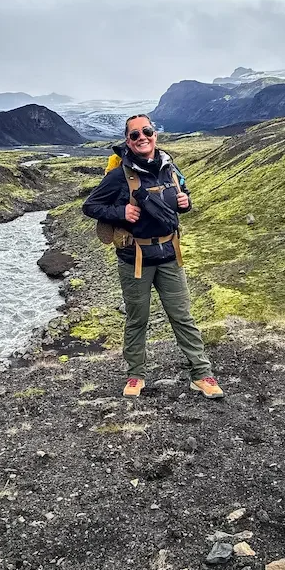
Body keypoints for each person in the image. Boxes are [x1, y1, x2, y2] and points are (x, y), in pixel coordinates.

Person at [82, 114, 224, 399]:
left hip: (170, 256)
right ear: (128, 141)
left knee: (182, 316)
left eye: (146, 131)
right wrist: (119, 213)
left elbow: (181, 197)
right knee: (137, 319)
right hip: (135, 259)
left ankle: (201, 373)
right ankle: (136, 375)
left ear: (155, 135)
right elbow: (90, 205)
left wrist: (186, 202)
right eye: (135, 135)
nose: (142, 137)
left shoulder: (169, 167)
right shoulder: (118, 176)